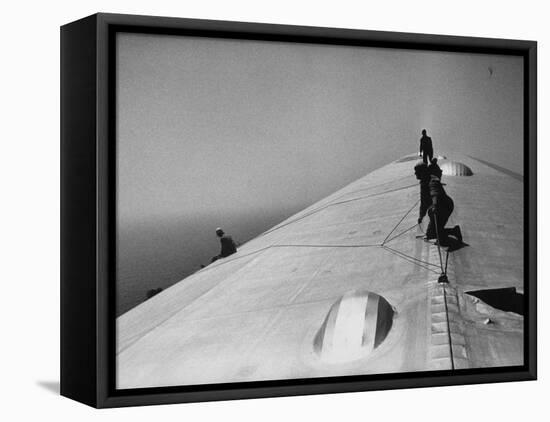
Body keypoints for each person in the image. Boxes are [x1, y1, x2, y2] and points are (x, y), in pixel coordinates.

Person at [425, 169, 463, 247]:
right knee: (430, 235)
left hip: (444, 207)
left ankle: (454, 232)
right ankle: (451, 231)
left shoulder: (432, 182)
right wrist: (421, 215)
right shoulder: (425, 182)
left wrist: (434, 206)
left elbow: (435, 194)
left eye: (417, 172)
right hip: (439, 207)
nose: (415, 174)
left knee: (437, 235)